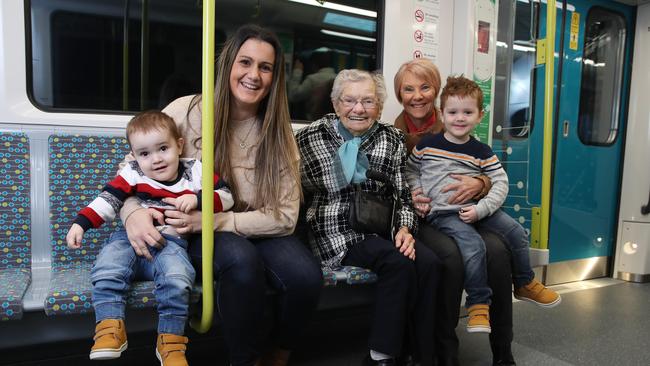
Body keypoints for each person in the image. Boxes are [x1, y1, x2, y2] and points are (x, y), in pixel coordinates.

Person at [117, 24, 324, 366]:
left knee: (305, 277)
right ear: (228, 64)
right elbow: (128, 173)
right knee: (241, 261)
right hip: (188, 227)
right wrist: (132, 214)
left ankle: (279, 352)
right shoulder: (187, 111)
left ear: (275, 77)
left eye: (265, 67)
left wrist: (217, 218)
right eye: (245, 62)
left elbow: (285, 217)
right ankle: (245, 359)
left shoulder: (279, 133)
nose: (253, 75)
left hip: (248, 223)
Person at [66, 110, 234, 365]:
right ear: (134, 157)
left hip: (170, 243)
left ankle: (172, 343)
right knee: (107, 266)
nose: (155, 159)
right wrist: (81, 223)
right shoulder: (133, 173)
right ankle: (110, 329)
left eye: (163, 148)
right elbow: (108, 200)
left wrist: (199, 199)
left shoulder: (195, 171)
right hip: (129, 240)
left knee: (178, 278)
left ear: (178, 146)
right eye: (145, 153)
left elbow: (227, 196)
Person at [296, 69, 440, 366]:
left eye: (368, 101)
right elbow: (304, 186)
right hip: (336, 229)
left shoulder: (392, 138)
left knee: (430, 264)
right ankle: (381, 356)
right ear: (336, 105)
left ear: (380, 105)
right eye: (349, 100)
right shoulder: (311, 136)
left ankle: (423, 353)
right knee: (397, 262)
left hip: (381, 227)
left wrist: (405, 228)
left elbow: (402, 192)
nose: (358, 109)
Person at [406, 75, 561, 329]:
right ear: (442, 115)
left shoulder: (482, 151)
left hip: (477, 209)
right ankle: (478, 304)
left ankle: (524, 282)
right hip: (444, 213)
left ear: (480, 116)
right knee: (474, 244)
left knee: (517, 232)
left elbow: (501, 182)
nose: (459, 118)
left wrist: (482, 209)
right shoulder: (427, 145)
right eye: (453, 112)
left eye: (467, 112)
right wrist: (418, 191)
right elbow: (410, 171)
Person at [393, 59, 513, 366]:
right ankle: (446, 351)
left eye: (425, 87)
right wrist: (412, 195)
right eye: (408, 89)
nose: (417, 95)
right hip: (424, 215)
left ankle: (502, 349)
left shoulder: (453, 121)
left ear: (436, 92)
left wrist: (481, 182)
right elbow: (398, 177)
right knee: (451, 257)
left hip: (462, 210)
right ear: (399, 94)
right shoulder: (393, 132)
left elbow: (486, 168)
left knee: (499, 251)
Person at [288, 49, 337, 120]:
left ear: (314, 65)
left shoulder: (312, 79)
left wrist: (297, 71)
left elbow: (293, 95)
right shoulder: (338, 79)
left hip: (314, 120)